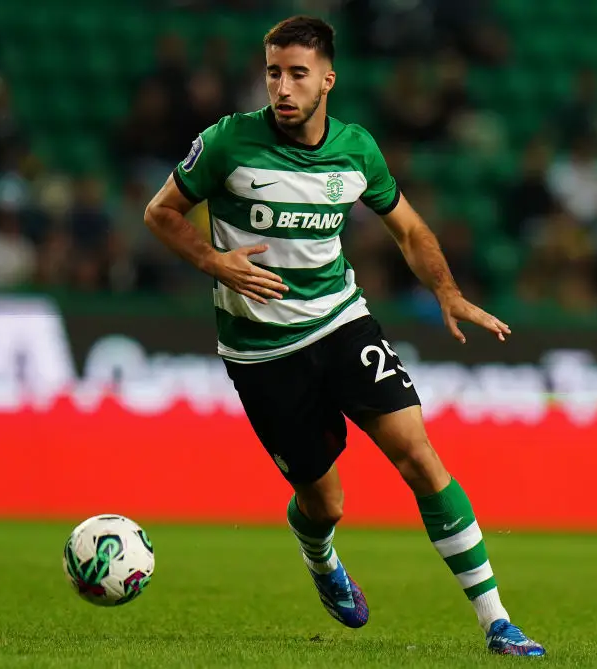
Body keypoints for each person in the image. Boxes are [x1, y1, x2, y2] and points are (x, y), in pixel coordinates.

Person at [143, 15, 545, 657]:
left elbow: (410, 230)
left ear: (327, 79)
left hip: (340, 321)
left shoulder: (357, 150)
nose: (282, 86)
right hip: (262, 351)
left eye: (298, 74)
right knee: (325, 501)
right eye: (274, 72)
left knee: (418, 454)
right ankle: (321, 556)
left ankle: (497, 621)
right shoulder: (225, 144)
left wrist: (447, 290)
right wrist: (213, 261)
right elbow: (159, 212)